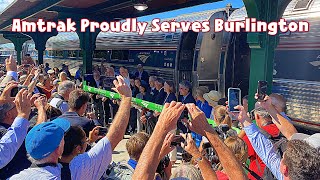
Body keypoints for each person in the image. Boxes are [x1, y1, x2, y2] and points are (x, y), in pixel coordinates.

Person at [132, 102, 248, 180]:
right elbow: (238, 176)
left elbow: (141, 176)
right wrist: (207, 130)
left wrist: (161, 128)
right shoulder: (233, 133)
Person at [232, 96, 320, 180]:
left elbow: (268, 154)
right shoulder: (295, 173)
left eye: (282, 157)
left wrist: (245, 121)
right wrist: (269, 108)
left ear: (284, 169)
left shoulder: (284, 175)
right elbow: (291, 135)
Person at [241, 106, 280, 179]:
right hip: (278, 174)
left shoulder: (255, 135)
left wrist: (245, 125)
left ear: (257, 116)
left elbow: (237, 148)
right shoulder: (282, 130)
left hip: (259, 175)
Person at [0, 89, 31, 170]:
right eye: (16, 106)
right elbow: (3, 153)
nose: (19, 106)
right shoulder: (3, 132)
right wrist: (23, 114)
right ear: (9, 114)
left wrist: (1, 101)